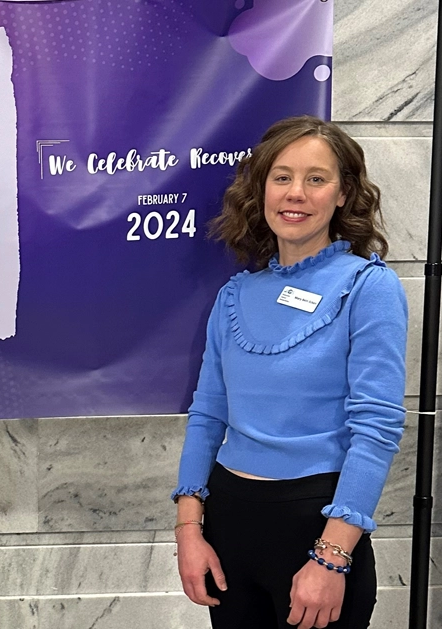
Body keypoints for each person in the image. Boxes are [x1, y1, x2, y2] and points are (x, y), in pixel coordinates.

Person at [172, 115, 407, 629]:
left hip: (316, 527)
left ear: (343, 193)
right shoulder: (234, 294)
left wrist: (331, 557)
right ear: (261, 189)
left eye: (316, 179)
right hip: (229, 524)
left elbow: (377, 429)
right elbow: (208, 414)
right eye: (281, 177)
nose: (295, 193)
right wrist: (189, 529)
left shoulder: (369, 288)